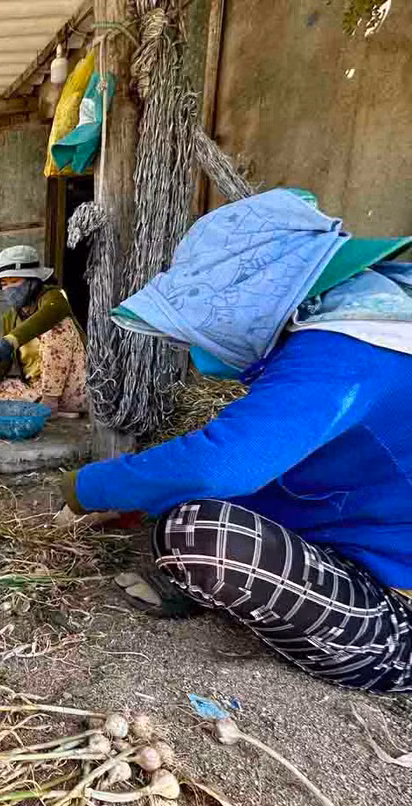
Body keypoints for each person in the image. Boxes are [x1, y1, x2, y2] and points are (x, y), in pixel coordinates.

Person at [59, 188, 412, 692]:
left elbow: (219, 465)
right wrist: (148, 494)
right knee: (183, 506)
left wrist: (88, 488)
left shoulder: (347, 349)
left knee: (196, 534)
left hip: (395, 613)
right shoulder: (363, 323)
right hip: (361, 550)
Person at [0, 245, 86, 417]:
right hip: (37, 390)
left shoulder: (54, 298)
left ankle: (51, 404)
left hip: (74, 387)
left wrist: (9, 341)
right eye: (4, 284)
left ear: (33, 282)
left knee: (58, 326)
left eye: (14, 281)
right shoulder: (10, 318)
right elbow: (3, 365)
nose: (8, 289)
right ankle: (52, 409)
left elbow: (52, 313)